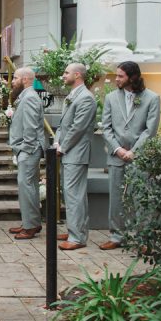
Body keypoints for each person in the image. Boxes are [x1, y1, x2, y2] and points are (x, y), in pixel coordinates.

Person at [99, 61, 160, 250]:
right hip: (116, 156)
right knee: (116, 198)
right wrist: (118, 149)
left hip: (139, 156)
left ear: (132, 77)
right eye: (116, 75)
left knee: (140, 197)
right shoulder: (110, 97)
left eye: (120, 76)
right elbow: (106, 128)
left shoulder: (152, 98)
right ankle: (117, 236)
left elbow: (150, 130)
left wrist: (134, 151)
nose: (116, 79)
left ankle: (143, 238)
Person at [54, 63, 97, 251]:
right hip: (68, 151)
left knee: (74, 196)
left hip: (76, 152)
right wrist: (57, 141)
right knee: (70, 194)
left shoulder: (86, 98)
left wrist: (63, 147)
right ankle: (75, 229)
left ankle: (77, 237)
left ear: (77, 75)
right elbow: (64, 125)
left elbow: (78, 128)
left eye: (66, 72)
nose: (63, 75)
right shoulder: (72, 96)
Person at [7, 67, 46, 239]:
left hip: (29, 150)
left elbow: (30, 128)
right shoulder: (26, 96)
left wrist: (24, 150)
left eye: (15, 78)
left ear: (24, 80)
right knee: (28, 187)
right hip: (27, 149)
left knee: (27, 187)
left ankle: (30, 226)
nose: (12, 81)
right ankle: (30, 222)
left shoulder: (29, 98)